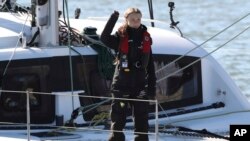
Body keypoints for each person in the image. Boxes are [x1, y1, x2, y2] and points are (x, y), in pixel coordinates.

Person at [101, 8, 156, 141]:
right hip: (121, 85)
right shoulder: (120, 37)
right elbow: (104, 38)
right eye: (132, 19)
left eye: (138, 19)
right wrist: (113, 17)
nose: (136, 22)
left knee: (142, 118)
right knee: (118, 117)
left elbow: (150, 66)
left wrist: (151, 88)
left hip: (140, 85)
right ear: (127, 20)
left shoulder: (146, 38)